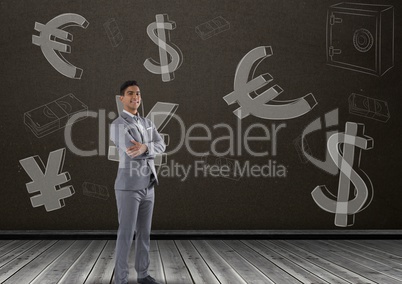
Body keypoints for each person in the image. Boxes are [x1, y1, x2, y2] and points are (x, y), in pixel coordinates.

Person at [110, 80, 165, 284]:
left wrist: (146, 148)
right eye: (130, 93)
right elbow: (131, 151)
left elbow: (162, 144)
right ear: (121, 98)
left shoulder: (147, 122)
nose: (135, 97)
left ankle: (143, 274)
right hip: (128, 187)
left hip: (148, 185)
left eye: (138, 94)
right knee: (126, 234)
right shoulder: (117, 124)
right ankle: (121, 280)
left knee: (144, 234)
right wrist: (146, 149)